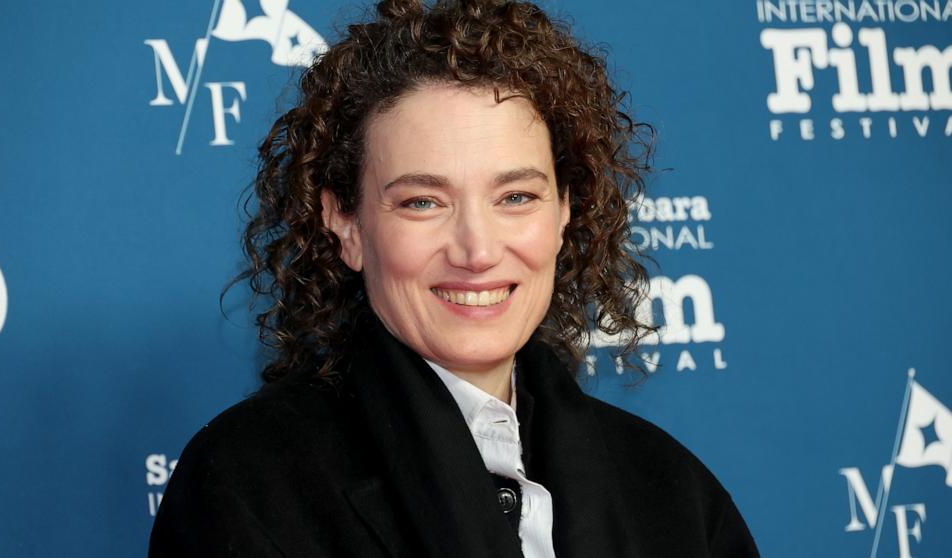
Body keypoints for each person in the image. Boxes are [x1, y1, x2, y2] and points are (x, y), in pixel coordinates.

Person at [149, 0, 760, 556]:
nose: (477, 250)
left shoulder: (673, 492)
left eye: (516, 196)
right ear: (347, 225)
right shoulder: (248, 487)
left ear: (566, 210)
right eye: (422, 202)